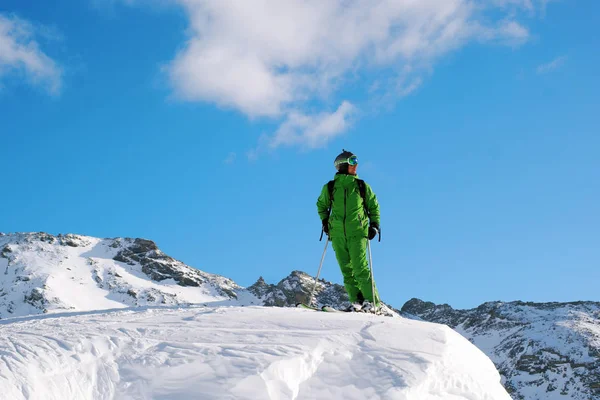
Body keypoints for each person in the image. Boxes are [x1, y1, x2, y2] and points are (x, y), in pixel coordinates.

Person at [316, 150, 381, 312]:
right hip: (337, 234)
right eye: (352, 162)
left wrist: (374, 224)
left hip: (358, 232)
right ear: (343, 166)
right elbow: (321, 205)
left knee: (360, 267)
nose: (356, 165)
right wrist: (325, 222)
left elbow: (373, 206)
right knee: (346, 270)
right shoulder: (330, 187)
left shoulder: (361, 186)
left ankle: (373, 303)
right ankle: (357, 302)